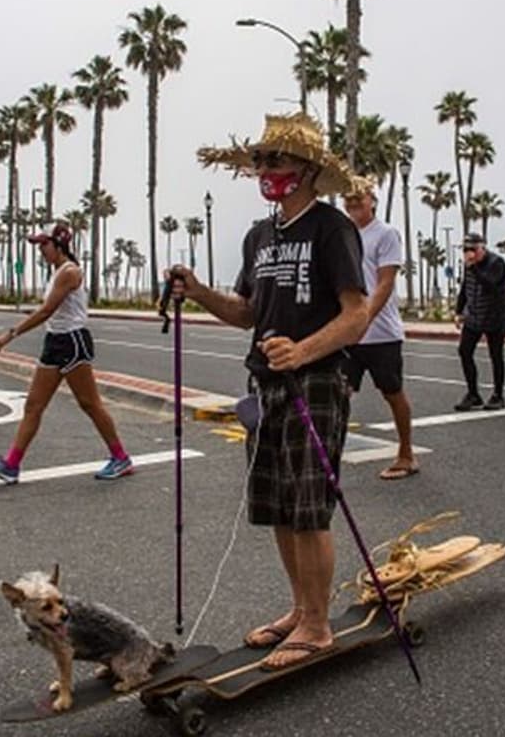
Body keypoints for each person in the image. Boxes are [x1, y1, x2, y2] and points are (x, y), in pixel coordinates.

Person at [175, 112, 368, 671]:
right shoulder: (258, 236)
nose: (265, 169)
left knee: (310, 508)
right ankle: (301, 609)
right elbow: (247, 312)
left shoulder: (332, 229)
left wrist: (302, 351)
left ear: (306, 169)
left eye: (275, 160)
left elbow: (356, 315)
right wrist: (199, 291)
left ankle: (318, 626)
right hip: (265, 383)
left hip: (318, 380)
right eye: (259, 160)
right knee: (280, 506)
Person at [0, 223, 133, 484]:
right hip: (54, 341)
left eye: (44, 244)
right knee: (34, 405)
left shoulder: (69, 272)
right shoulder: (57, 272)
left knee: (90, 404)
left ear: (59, 244)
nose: (40, 250)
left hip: (72, 341)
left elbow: (47, 310)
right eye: (39, 245)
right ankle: (11, 465)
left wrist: (10, 334)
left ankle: (121, 458)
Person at [342, 176, 418, 480]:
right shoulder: (343, 235)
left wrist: (365, 318)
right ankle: (328, 454)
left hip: (381, 333)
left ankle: (406, 454)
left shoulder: (385, 234)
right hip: (348, 333)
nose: (353, 206)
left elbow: (385, 283)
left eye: (358, 200)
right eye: (348, 201)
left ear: (372, 201)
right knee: (339, 392)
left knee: (392, 392)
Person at [454, 233, 505, 411]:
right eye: (466, 249)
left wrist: (474, 267)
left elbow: (491, 286)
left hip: (494, 316)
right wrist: (459, 311)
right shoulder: (469, 266)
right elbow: (465, 287)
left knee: (496, 355)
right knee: (464, 351)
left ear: (482, 248)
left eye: (473, 249)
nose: (469, 253)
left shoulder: (496, 263)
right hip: (474, 316)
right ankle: (473, 394)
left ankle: (498, 395)